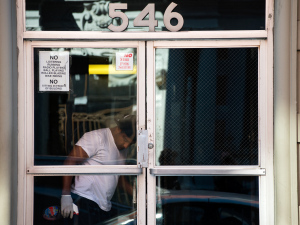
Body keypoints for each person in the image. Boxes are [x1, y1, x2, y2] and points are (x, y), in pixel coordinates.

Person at [61, 114, 136, 225]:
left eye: (130, 143)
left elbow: (117, 177)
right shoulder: (97, 137)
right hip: (84, 200)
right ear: (118, 129)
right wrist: (66, 195)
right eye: (125, 139)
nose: (126, 146)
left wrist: (135, 193)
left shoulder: (123, 149)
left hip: (104, 205)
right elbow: (70, 162)